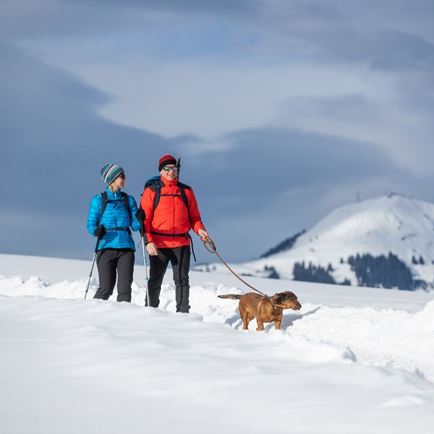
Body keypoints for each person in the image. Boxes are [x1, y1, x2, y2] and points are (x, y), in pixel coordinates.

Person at [139, 154, 208, 313]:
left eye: (174, 168)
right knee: (155, 280)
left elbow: (194, 217)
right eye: (167, 169)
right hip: (159, 244)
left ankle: (183, 313)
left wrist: (200, 230)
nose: (171, 172)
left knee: (182, 280)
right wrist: (148, 241)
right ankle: (149, 311)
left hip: (182, 244)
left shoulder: (186, 191)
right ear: (161, 171)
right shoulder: (152, 191)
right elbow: (145, 221)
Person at [87, 164, 141, 302]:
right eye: (121, 176)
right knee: (106, 287)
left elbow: (135, 226)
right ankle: (92, 313)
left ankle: (123, 320)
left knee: (125, 289)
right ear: (112, 178)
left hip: (126, 248)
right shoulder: (98, 200)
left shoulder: (129, 200)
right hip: (105, 246)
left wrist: (141, 219)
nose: (124, 179)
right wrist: (96, 231)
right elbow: (91, 224)